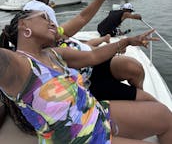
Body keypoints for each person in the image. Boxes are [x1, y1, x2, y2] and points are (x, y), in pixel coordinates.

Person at [0, 10, 172, 144]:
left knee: (165, 116)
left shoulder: (53, 53)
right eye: (44, 17)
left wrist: (126, 41)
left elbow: (93, 57)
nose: (52, 23)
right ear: (24, 25)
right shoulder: (16, 66)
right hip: (78, 138)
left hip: (96, 112)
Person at [23, 0, 149, 101]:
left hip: (96, 62)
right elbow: (92, 56)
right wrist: (124, 43)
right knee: (144, 97)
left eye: (50, 20)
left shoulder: (56, 35)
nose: (52, 24)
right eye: (46, 22)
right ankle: (138, 104)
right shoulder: (50, 54)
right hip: (90, 79)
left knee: (134, 68)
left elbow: (82, 17)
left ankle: (139, 99)